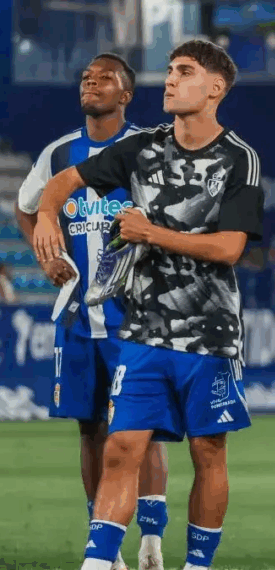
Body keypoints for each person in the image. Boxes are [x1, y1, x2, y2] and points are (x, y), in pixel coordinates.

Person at [31, 40, 263, 570]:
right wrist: (48, 215)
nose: (172, 80)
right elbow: (65, 181)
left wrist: (150, 233)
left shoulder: (239, 157)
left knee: (208, 452)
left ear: (215, 88)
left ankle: (197, 564)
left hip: (210, 334)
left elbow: (230, 248)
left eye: (185, 72)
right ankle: (99, 563)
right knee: (120, 447)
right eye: (171, 71)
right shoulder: (143, 149)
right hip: (141, 332)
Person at [15, 52, 169, 570]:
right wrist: (46, 253)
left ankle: (151, 540)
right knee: (89, 429)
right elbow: (27, 204)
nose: (91, 81)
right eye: (86, 76)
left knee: (140, 429)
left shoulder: (149, 148)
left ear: (126, 94)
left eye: (105, 78)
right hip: (80, 318)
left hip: (140, 317)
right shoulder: (59, 154)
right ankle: (103, 543)